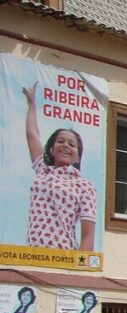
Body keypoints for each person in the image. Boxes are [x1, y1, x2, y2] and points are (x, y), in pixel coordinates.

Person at [22, 83, 97, 252]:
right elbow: (31, 134)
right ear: (51, 148)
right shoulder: (42, 169)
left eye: (72, 144)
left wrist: (80, 270)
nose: (65, 146)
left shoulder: (84, 186)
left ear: (77, 156)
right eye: (60, 141)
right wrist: (32, 105)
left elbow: (88, 234)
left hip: (62, 256)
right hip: (30, 256)